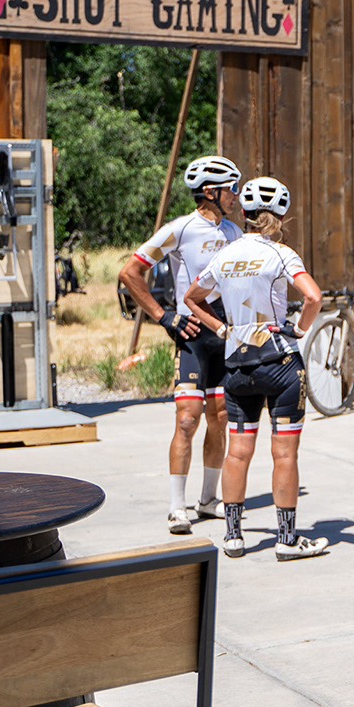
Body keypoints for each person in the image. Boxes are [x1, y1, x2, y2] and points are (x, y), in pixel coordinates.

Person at [185, 176, 327, 562]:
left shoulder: (225, 256)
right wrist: (299, 329)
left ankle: (233, 537)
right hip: (280, 363)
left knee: (237, 452)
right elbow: (313, 297)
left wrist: (220, 328)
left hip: (237, 365)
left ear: (245, 212)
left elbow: (192, 297)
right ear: (280, 215)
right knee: (284, 454)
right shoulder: (281, 254)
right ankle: (287, 540)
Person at [118, 155, 244, 536]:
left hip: (222, 334)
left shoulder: (235, 233)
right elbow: (130, 272)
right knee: (187, 419)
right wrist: (163, 316)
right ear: (210, 192)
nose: (236, 196)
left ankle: (207, 499)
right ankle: (177, 507)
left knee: (220, 417)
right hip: (191, 334)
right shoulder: (180, 229)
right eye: (231, 189)